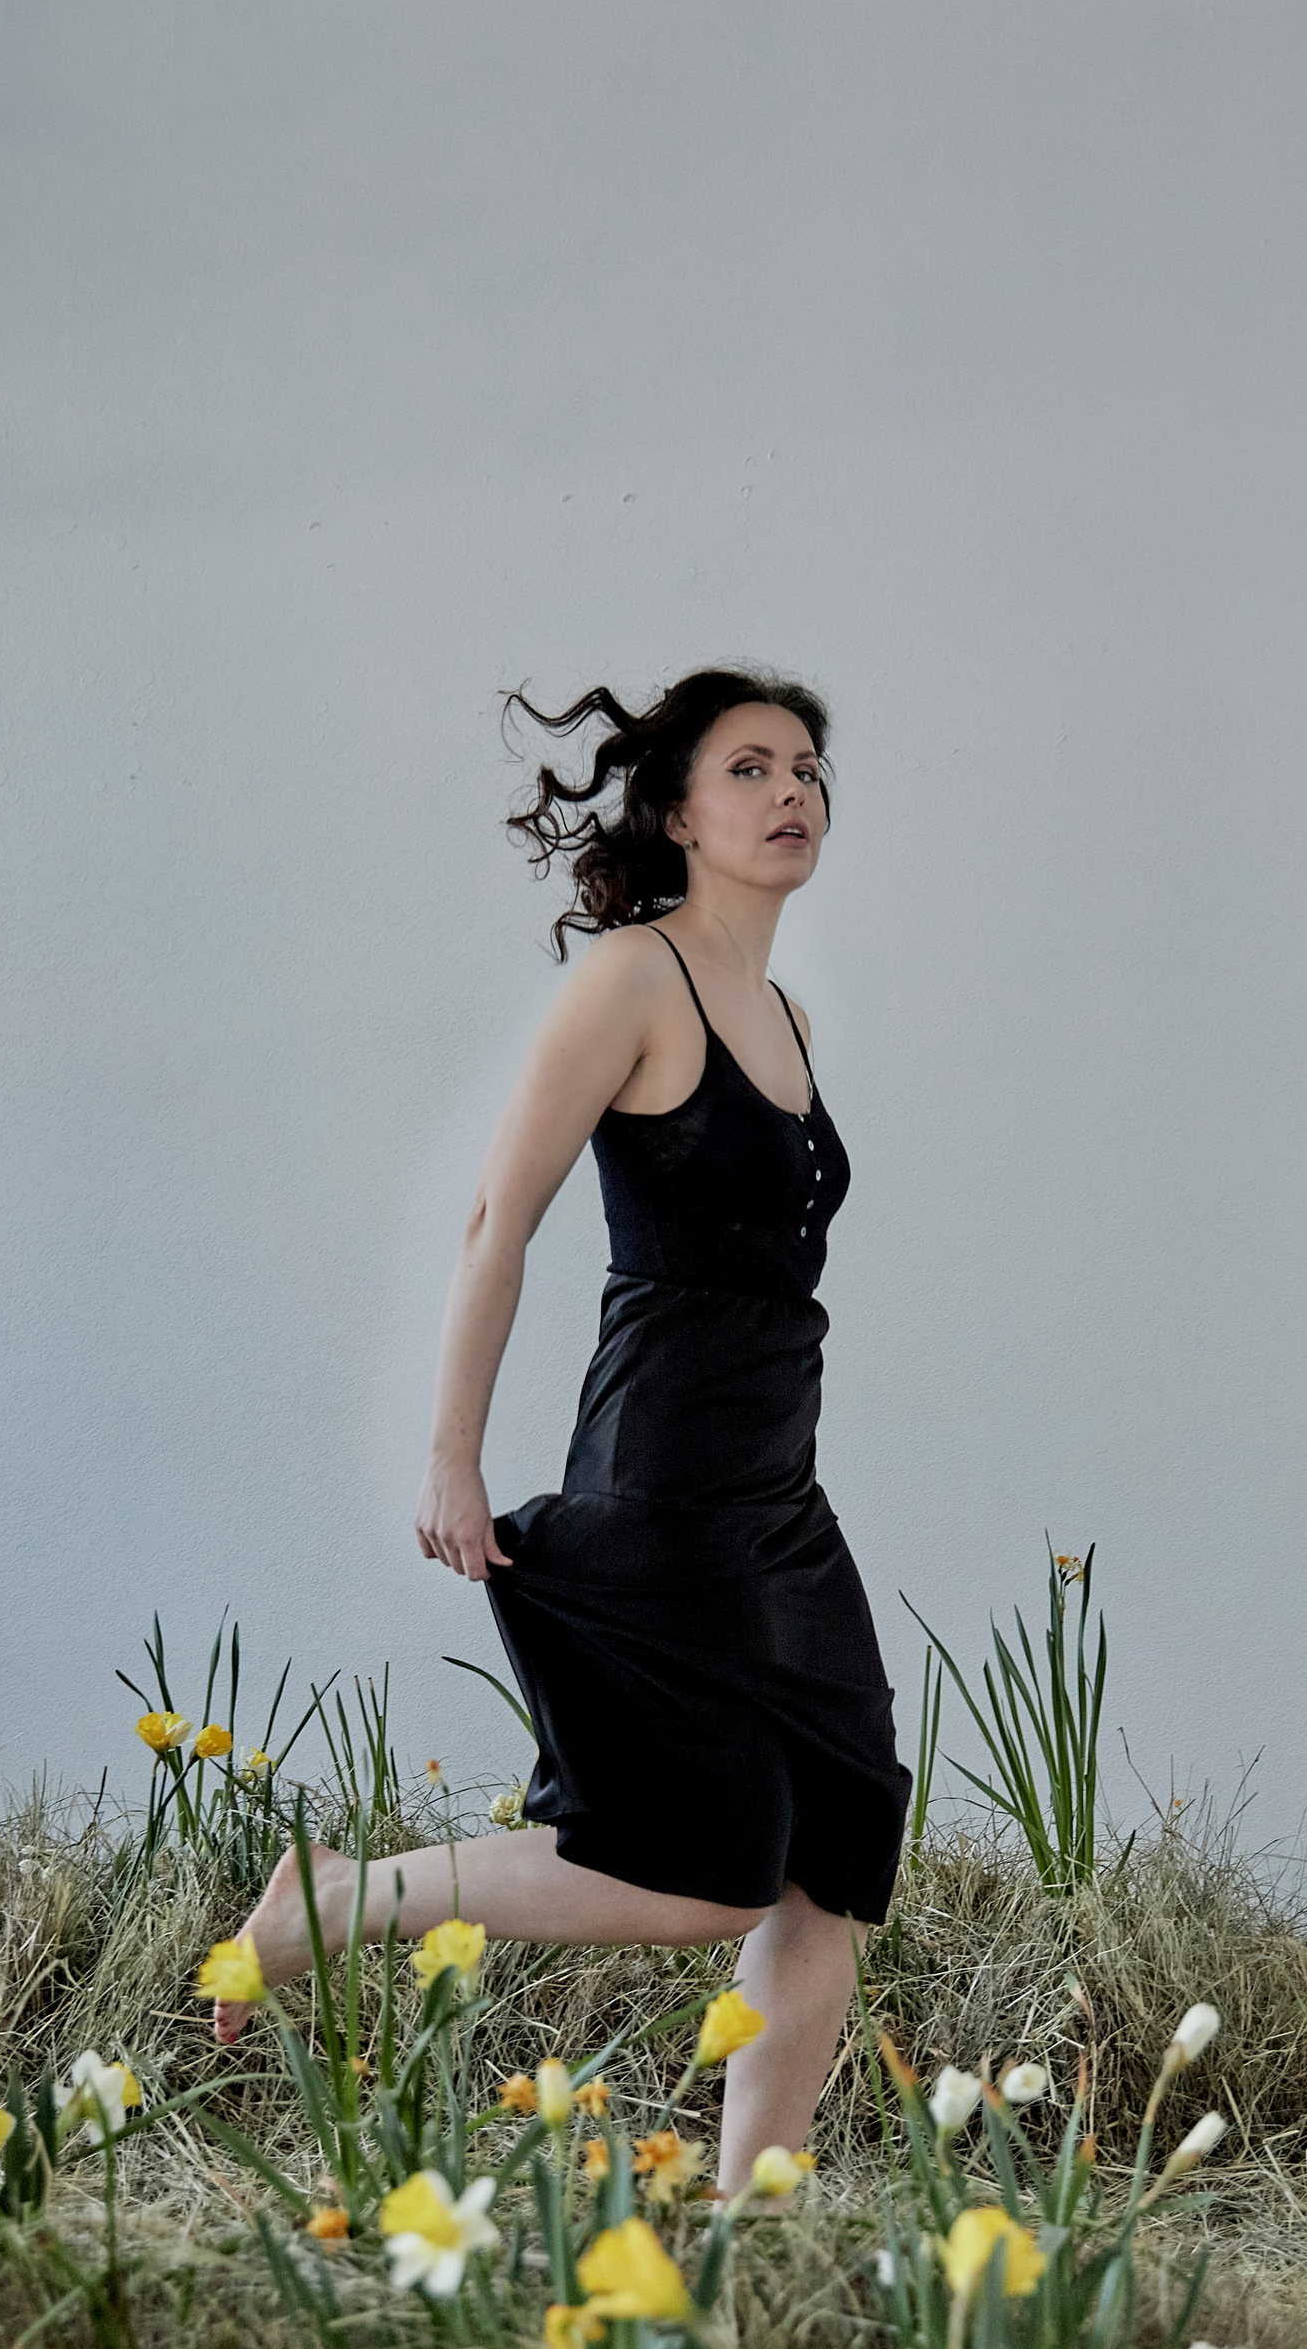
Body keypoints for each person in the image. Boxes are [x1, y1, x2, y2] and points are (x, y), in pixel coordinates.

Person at [209, 666, 912, 2199]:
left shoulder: (786, 1015)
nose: (792, 791)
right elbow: (498, 1214)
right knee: (697, 1878)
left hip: (779, 1489)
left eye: (807, 768)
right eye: (751, 767)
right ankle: (346, 1899)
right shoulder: (633, 982)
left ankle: (752, 2228)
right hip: (667, 1473)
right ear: (679, 811)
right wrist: (450, 1453)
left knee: (837, 1854)